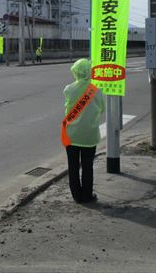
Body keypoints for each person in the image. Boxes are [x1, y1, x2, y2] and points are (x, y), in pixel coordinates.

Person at [61, 58, 105, 204]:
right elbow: (102, 109)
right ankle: (87, 196)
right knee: (87, 167)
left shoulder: (68, 89)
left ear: (75, 72)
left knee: (72, 167)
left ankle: (76, 196)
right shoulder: (96, 90)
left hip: (71, 135)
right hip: (89, 135)